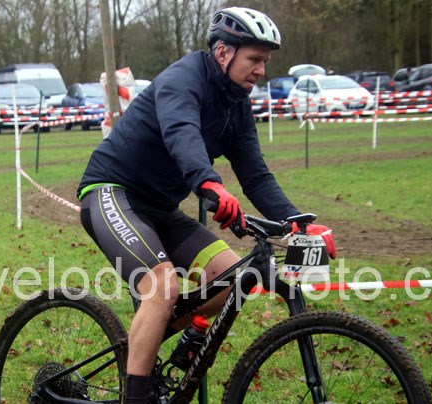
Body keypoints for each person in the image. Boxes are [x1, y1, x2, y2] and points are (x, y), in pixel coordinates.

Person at [77, 7, 336, 403]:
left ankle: (167, 336)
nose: (260, 70)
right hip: (112, 193)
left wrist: (297, 223)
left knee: (233, 278)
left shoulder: (237, 105)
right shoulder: (183, 80)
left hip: (160, 209)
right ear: (223, 53)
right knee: (162, 286)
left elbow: (256, 175)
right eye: (254, 59)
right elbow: (181, 133)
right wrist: (209, 183)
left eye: (265, 62)